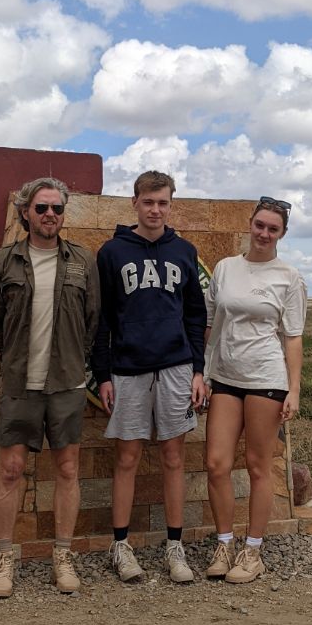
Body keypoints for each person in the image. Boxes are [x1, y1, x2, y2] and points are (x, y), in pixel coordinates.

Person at [0, 177, 99, 598]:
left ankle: (62, 556)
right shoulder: (1, 263)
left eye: (57, 209)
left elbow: (92, 322)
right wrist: (15, 358)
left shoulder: (83, 262)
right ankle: (4, 558)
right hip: (19, 384)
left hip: (66, 383)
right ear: (26, 212)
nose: (50, 215)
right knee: (10, 471)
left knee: (67, 469)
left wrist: (71, 361)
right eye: (42, 208)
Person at [92, 170, 208, 583]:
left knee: (174, 457)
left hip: (176, 368)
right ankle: (120, 546)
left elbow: (196, 315)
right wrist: (102, 374)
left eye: (163, 202)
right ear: (135, 203)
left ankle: (174, 547)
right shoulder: (111, 253)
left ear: (171, 205)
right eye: (148, 201)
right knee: (127, 457)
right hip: (128, 368)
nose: (155, 209)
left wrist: (197, 369)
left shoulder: (184, 251)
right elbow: (101, 319)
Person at [203, 196, 307, 583]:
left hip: (266, 380)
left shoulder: (289, 277)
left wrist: (293, 389)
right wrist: (203, 371)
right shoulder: (226, 268)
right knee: (217, 464)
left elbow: (293, 337)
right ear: (250, 224)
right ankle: (224, 543)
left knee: (259, 466)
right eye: (260, 225)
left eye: (273, 229)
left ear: (282, 233)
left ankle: (253, 551)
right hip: (226, 378)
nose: (264, 233)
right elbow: (211, 325)